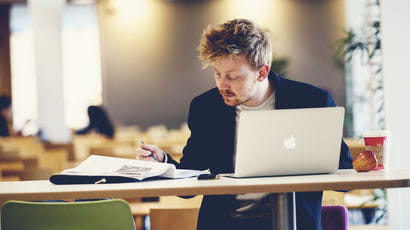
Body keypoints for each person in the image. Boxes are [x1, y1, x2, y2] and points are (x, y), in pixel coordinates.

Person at [136, 19, 352, 230]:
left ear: (262, 72)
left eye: (233, 77)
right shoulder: (206, 107)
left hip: (293, 223)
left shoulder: (311, 101)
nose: (222, 84)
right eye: (217, 73)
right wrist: (163, 161)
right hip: (226, 224)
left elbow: (344, 173)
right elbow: (190, 183)